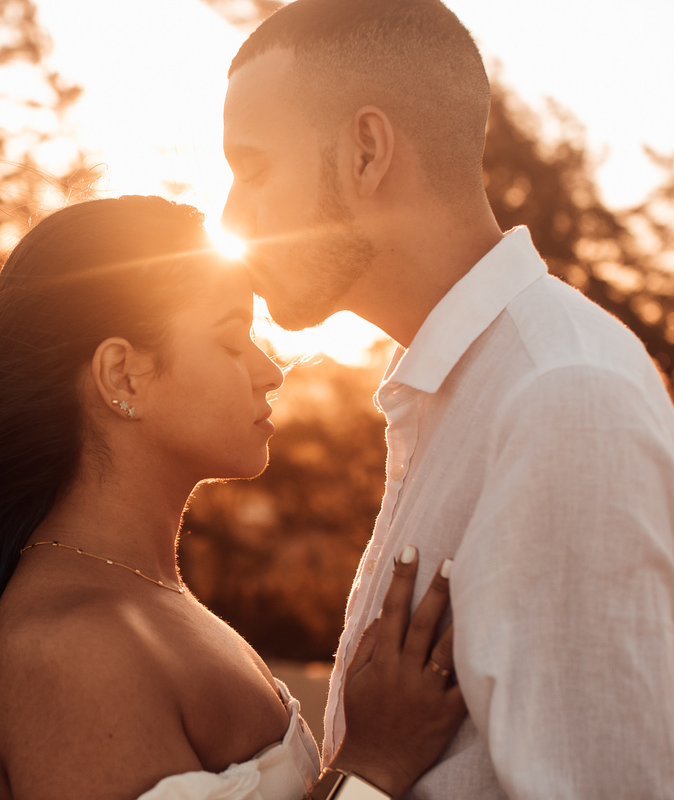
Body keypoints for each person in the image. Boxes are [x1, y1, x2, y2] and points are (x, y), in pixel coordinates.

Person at [0, 195, 465, 800]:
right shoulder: (70, 653)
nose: (269, 372)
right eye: (231, 338)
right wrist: (375, 767)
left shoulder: (137, 598)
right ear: (123, 377)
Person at [220, 0, 674, 797]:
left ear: (366, 150)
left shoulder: (564, 399)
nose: (232, 214)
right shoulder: (450, 393)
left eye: (253, 167)